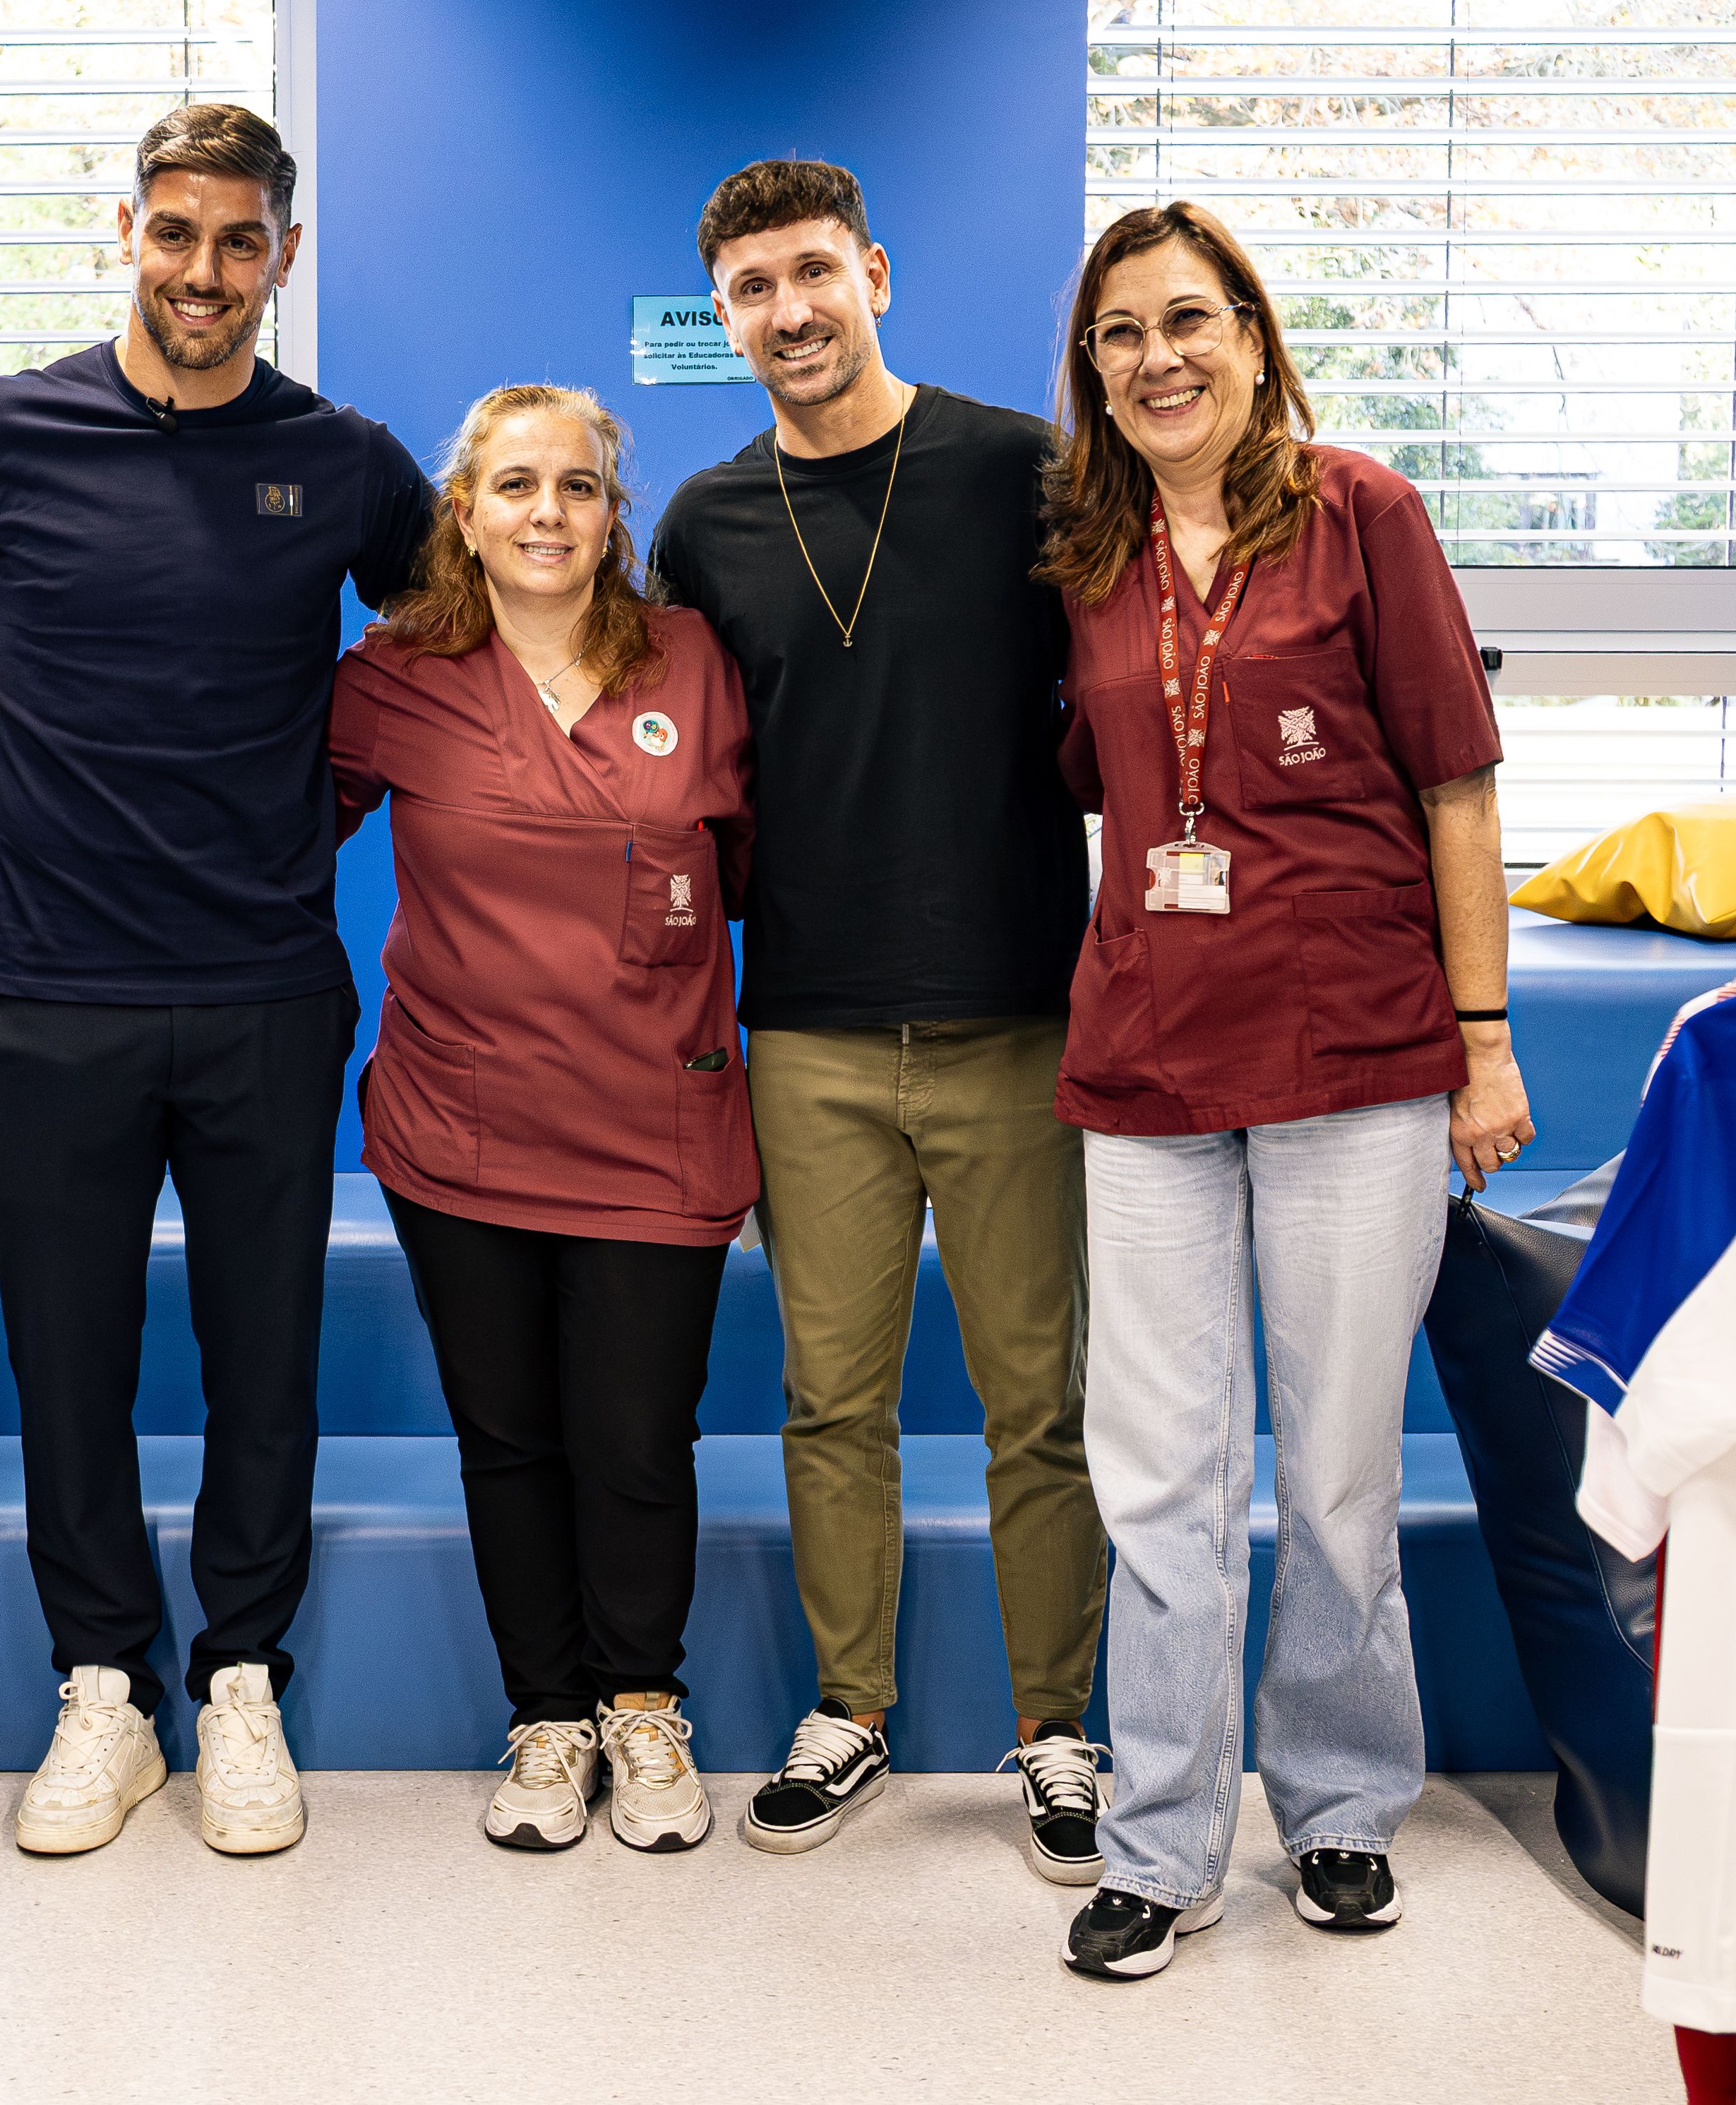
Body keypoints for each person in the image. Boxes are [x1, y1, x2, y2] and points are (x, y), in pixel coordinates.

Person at [0, 104, 435, 1856]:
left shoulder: (341, 458)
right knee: (71, 1355)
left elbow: (462, 643)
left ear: (282, 252)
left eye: (239, 241)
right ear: (125, 228)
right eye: (173, 233)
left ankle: (241, 1679)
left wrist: (334, 801)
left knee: (259, 1353)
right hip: (53, 983)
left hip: (270, 982)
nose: (202, 271)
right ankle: (103, 1686)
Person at [1041, 199, 1535, 1981]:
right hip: (1146, 1058)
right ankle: (1160, 1840)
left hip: (1353, 1055)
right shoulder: (1083, 550)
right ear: (1090, 374)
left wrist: (1481, 1039)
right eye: (1119, 336)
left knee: (1330, 1470)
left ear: (1249, 336)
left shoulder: (1362, 516)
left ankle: (1333, 1807)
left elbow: (1456, 786)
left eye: (1187, 321)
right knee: (1155, 1473)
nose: (1156, 359)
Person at [645, 159, 1110, 1874]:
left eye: (812, 274)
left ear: (876, 276)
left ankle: (1058, 1730)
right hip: (811, 1033)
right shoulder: (702, 522)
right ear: (726, 317)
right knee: (827, 1400)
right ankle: (850, 1705)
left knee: (1034, 1402)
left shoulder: (1018, 471)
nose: (788, 312)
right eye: (751, 289)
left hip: (1015, 1019)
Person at [332, 386, 757, 1854]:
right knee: (506, 1434)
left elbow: (759, 859)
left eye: (575, 487)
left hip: (657, 1118)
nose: (546, 514)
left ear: (610, 512)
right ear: (462, 509)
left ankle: (642, 1706)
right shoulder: (394, 676)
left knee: (636, 1433)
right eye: (513, 485)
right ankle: (546, 1718)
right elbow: (250, 835)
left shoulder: (694, 660)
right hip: (463, 1125)